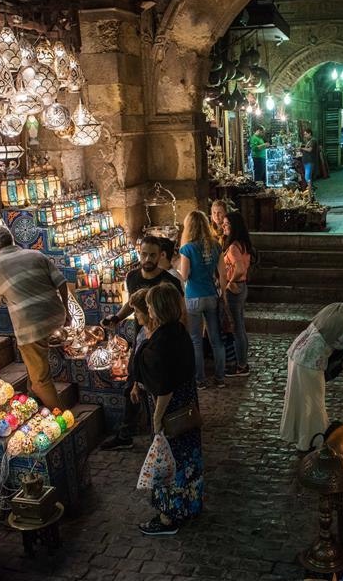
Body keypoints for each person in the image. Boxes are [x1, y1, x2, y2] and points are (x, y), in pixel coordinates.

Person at [132, 283, 204, 535]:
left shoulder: (162, 342)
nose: (148, 310)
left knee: (167, 464)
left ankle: (167, 518)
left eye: (150, 305)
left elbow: (164, 387)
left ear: (157, 309)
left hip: (172, 412)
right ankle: (190, 505)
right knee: (188, 461)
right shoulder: (180, 331)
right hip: (187, 409)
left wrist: (156, 417)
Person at [100, 236, 182, 451]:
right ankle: (127, 433)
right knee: (132, 384)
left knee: (160, 386)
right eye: (144, 254)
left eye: (152, 255)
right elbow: (131, 303)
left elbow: (179, 311)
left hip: (162, 341)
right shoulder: (133, 277)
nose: (147, 259)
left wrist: (178, 337)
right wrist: (116, 318)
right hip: (141, 339)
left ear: (160, 255)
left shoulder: (169, 281)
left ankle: (164, 431)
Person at [280, 293, 343, 452]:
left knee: (299, 399)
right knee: (312, 403)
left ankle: (302, 438)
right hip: (310, 362)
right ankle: (310, 442)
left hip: (297, 352)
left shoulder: (338, 306)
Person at [0, 227, 69, 410]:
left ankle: (63, 419)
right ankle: (34, 402)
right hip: (56, 317)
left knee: (40, 380)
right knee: (35, 363)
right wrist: (67, 312)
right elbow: (61, 282)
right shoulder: (36, 254)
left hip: (31, 326)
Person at [178, 211, 227, 389]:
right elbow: (222, 274)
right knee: (216, 339)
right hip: (211, 296)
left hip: (193, 298)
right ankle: (220, 378)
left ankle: (200, 380)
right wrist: (224, 297)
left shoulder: (187, 249)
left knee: (196, 340)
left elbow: (184, 276)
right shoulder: (215, 246)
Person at [221, 211, 256, 377]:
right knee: (240, 326)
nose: (223, 227)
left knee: (237, 328)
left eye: (227, 224)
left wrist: (229, 282)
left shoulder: (234, 246)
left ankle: (241, 365)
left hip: (236, 288)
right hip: (242, 287)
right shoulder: (243, 243)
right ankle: (243, 363)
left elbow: (240, 268)